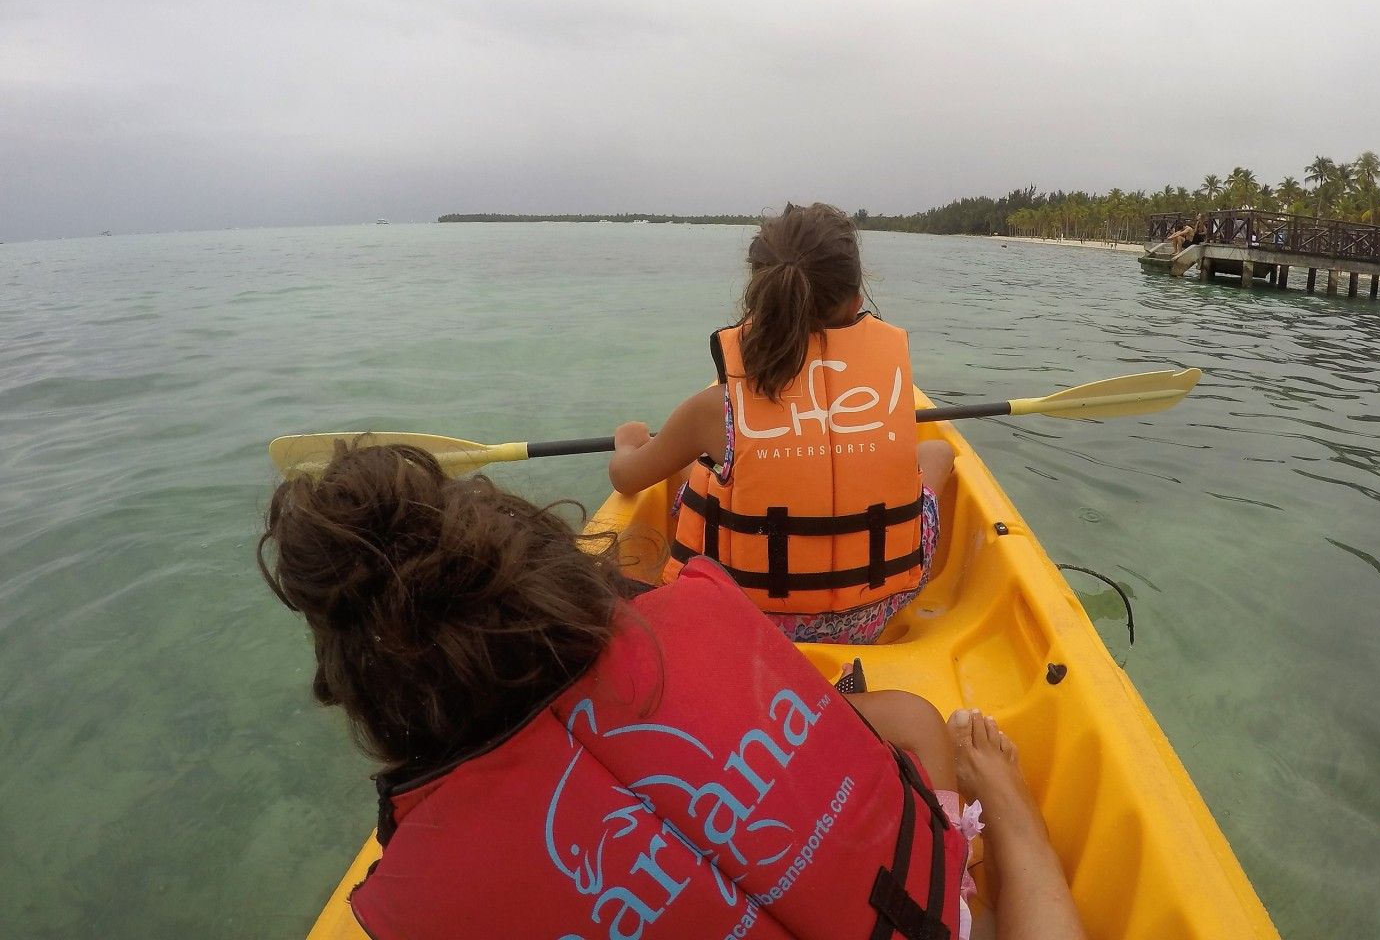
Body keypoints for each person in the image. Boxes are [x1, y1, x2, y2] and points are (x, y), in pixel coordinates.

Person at [258, 443, 1085, 940]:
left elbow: (636, 465)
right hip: (923, 918)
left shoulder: (417, 898)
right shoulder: (691, 622)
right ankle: (1007, 808)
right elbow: (891, 724)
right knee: (914, 726)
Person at [609, 203, 955, 644]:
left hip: (743, 618)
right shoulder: (880, 393)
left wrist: (628, 442)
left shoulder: (713, 409)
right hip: (872, 611)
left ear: (760, 296)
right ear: (856, 302)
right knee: (937, 452)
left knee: (698, 470)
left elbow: (625, 478)